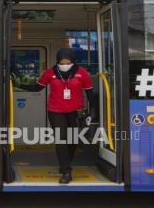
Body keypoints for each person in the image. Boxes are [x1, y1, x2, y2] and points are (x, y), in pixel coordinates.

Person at [19, 48, 96, 184]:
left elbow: (90, 94)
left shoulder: (81, 73)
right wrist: (19, 85)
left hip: (75, 111)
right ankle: (66, 171)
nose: (64, 64)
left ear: (72, 61)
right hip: (55, 111)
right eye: (62, 62)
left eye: (67, 62)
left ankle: (65, 163)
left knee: (72, 141)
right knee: (61, 140)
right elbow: (37, 87)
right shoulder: (51, 72)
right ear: (57, 61)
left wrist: (92, 112)